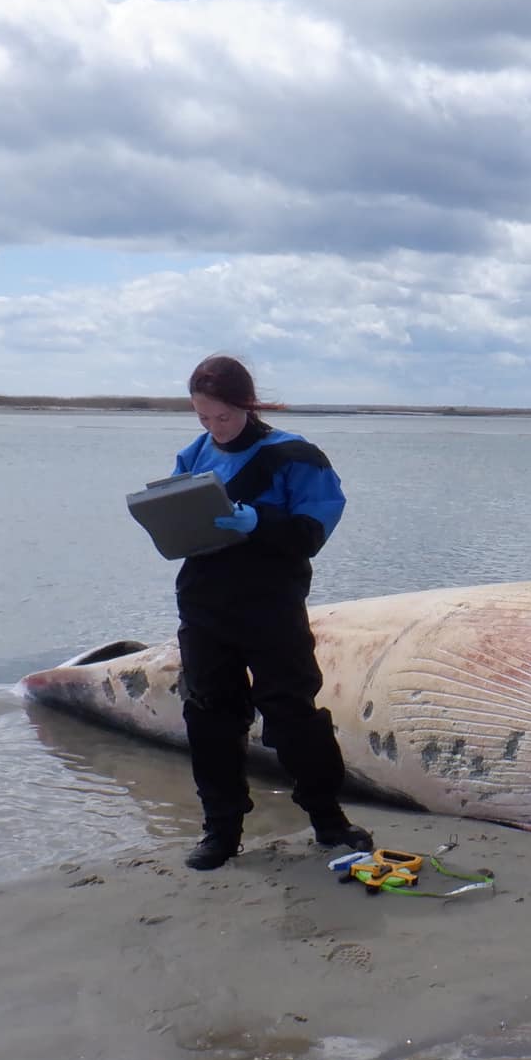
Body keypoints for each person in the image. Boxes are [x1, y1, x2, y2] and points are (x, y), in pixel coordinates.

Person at [169, 355, 373, 871]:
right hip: (204, 606)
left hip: (271, 607)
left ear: (247, 405)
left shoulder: (295, 455)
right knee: (210, 716)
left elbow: (312, 533)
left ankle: (328, 819)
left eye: (224, 417)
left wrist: (257, 521)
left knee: (293, 715)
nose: (214, 428)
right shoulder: (193, 456)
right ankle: (221, 830)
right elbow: (178, 528)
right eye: (204, 418)